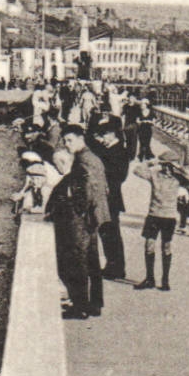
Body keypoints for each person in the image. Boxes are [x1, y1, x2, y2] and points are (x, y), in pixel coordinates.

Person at [46, 125, 106, 319]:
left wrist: (76, 210)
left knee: (75, 261)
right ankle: (94, 304)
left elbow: (87, 192)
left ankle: (79, 307)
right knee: (91, 261)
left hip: (82, 219)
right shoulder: (92, 158)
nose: (67, 144)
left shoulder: (83, 160)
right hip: (93, 217)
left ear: (81, 138)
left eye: (70, 140)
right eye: (65, 141)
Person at [133, 149, 189, 291]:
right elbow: (137, 170)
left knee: (166, 246)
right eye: (165, 166)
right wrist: (152, 162)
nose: (167, 169)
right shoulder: (155, 175)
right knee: (149, 245)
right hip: (154, 214)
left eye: (170, 166)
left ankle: (165, 280)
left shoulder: (178, 178)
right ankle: (149, 278)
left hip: (169, 216)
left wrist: (180, 168)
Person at [91, 121, 130, 280]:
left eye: (104, 135)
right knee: (107, 232)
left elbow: (120, 175)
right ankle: (112, 265)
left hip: (111, 197)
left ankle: (116, 267)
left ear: (111, 134)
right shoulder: (110, 149)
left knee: (111, 232)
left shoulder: (119, 150)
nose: (102, 139)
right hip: (108, 197)